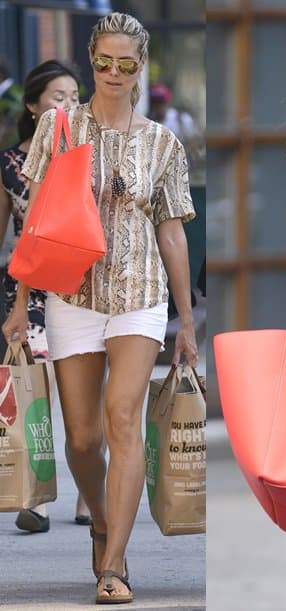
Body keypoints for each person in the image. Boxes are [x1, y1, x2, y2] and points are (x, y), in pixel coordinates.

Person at [2, 12, 197, 605]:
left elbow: (172, 233)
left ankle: (115, 562)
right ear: (92, 61)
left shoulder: (163, 142)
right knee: (84, 438)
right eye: (104, 62)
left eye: (127, 64)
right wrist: (21, 304)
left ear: (142, 68)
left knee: (122, 420)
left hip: (140, 294)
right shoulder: (59, 127)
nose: (113, 73)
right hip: (72, 295)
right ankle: (106, 522)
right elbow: (35, 220)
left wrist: (186, 321)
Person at [0, 59, 92, 533]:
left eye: (76, 97)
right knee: (38, 396)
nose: (69, 105)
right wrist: (14, 302)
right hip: (30, 292)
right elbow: (7, 241)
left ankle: (87, 495)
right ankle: (34, 497)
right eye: (59, 97)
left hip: (84, 291)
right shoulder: (10, 165)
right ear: (34, 106)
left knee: (85, 401)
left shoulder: (88, 154)